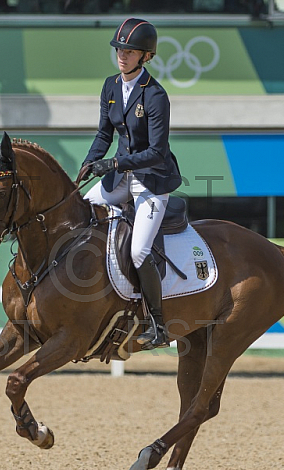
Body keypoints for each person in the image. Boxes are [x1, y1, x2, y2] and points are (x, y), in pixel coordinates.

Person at [81, 17, 182, 350]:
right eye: (119, 49)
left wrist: (114, 162)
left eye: (129, 51)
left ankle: (159, 325)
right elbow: (103, 134)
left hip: (152, 182)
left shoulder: (155, 95)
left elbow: (156, 152)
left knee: (139, 251)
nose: (121, 55)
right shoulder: (111, 85)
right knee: (80, 212)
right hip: (121, 177)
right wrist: (86, 165)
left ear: (145, 56)